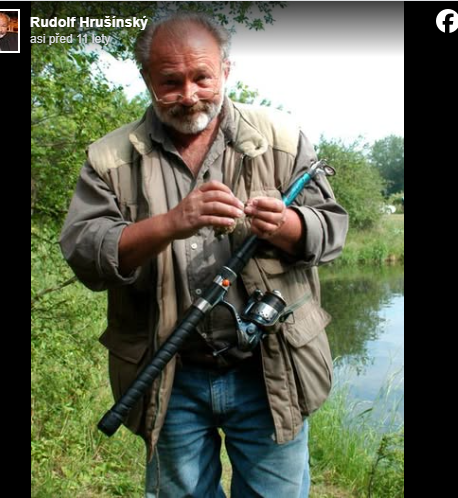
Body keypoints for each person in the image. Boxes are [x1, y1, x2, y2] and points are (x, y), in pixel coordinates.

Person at [60, 12, 348, 498]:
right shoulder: (110, 158)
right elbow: (85, 251)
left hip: (271, 371)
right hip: (167, 375)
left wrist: (288, 225)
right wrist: (170, 223)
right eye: (170, 82)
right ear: (147, 79)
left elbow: (332, 230)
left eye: (202, 77)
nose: (190, 94)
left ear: (226, 71)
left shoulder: (282, 136)